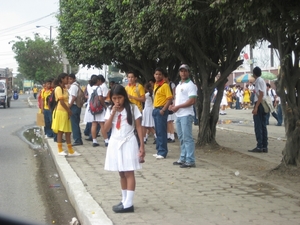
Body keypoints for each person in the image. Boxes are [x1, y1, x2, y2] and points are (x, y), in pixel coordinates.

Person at [103, 84, 145, 213]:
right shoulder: (110, 110)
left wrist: (141, 146)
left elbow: (138, 127)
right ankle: (124, 199)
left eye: (120, 98)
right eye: (114, 98)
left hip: (129, 141)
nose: (117, 101)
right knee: (121, 172)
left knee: (128, 171)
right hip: (115, 142)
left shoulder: (132, 108)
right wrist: (113, 113)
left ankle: (129, 203)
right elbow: (105, 129)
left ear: (124, 97)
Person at [170, 64, 197, 168]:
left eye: (185, 71)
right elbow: (178, 99)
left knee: (187, 138)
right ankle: (183, 158)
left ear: (188, 72)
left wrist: (178, 107)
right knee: (181, 137)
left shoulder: (191, 85)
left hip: (187, 114)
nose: (183, 73)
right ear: (179, 73)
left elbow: (192, 100)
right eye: (181, 71)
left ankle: (190, 160)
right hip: (179, 114)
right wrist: (174, 106)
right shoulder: (179, 85)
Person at [51, 73, 81, 156]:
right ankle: (60, 149)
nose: (68, 80)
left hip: (66, 111)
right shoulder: (58, 88)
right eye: (66, 79)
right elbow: (61, 102)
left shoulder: (64, 88)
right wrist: (68, 110)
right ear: (62, 79)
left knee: (68, 131)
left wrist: (68, 110)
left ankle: (70, 150)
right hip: (60, 111)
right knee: (60, 131)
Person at [152, 68, 173, 159]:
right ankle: (159, 150)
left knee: (161, 131)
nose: (158, 76)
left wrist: (164, 109)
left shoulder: (165, 86)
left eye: (160, 74)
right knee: (158, 131)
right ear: (154, 75)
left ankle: (163, 152)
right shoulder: (156, 85)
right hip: (156, 109)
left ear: (162, 76)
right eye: (156, 74)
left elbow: (169, 98)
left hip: (161, 110)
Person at [248, 67, 268, 153]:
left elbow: (261, 94)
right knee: (263, 125)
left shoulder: (259, 81)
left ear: (254, 74)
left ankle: (259, 146)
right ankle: (264, 146)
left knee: (258, 125)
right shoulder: (261, 81)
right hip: (262, 104)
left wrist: (256, 107)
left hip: (259, 104)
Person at [83, 75, 107, 147]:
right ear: (97, 81)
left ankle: (94, 140)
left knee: (94, 124)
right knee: (102, 124)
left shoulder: (89, 88)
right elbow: (100, 98)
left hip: (91, 108)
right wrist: (104, 106)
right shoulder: (98, 88)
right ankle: (106, 140)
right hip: (99, 108)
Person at [68, 73, 83, 146]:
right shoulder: (77, 85)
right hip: (77, 106)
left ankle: (77, 140)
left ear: (74, 79)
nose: (69, 80)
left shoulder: (74, 86)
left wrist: (69, 106)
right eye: (68, 79)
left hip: (74, 106)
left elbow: (73, 97)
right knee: (76, 123)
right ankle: (78, 139)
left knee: (74, 124)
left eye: (70, 79)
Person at [165, 76, 176, 142]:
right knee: (167, 121)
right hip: (166, 104)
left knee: (170, 121)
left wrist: (172, 102)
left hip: (170, 103)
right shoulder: (164, 85)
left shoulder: (172, 84)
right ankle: (168, 136)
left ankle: (172, 136)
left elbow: (173, 94)